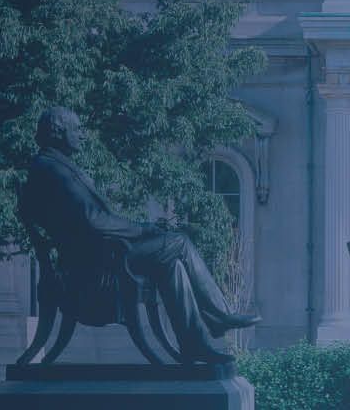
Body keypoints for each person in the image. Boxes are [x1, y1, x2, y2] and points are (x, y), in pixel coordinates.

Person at [20, 106, 262, 363]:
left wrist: (144, 231)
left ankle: (195, 345)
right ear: (58, 131)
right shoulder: (51, 169)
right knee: (179, 242)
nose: (83, 135)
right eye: (77, 129)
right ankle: (220, 316)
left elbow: (91, 221)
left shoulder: (54, 165)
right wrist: (145, 229)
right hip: (95, 263)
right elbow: (94, 221)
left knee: (174, 265)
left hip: (100, 254)